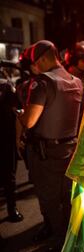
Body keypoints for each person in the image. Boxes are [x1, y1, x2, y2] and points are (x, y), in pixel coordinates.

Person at [18, 40, 83, 249]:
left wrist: (18, 113)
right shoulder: (76, 81)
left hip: (45, 154)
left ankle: (60, 242)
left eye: (36, 62)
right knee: (67, 199)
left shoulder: (43, 82)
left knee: (50, 201)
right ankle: (70, 239)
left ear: (45, 57)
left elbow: (29, 121)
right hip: (70, 150)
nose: (34, 67)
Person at [0, 60, 24, 223]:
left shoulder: (5, 86)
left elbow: (16, 109)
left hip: (4, 137)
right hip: (6, 136)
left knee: (9, 176)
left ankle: (11, 208)